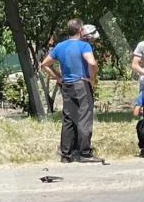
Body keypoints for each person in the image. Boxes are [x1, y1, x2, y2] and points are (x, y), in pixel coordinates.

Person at [40, 19, 100, 163]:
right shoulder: (84, 46)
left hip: (67, 84)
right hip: (81, 83)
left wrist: (58, 78)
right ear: (80, 31)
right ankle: (84, 153)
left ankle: (66, 154)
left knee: (68, 118)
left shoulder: (60, 46)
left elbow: (44, 64)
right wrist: (91, 79)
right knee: (84, 117)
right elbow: (92, 62)